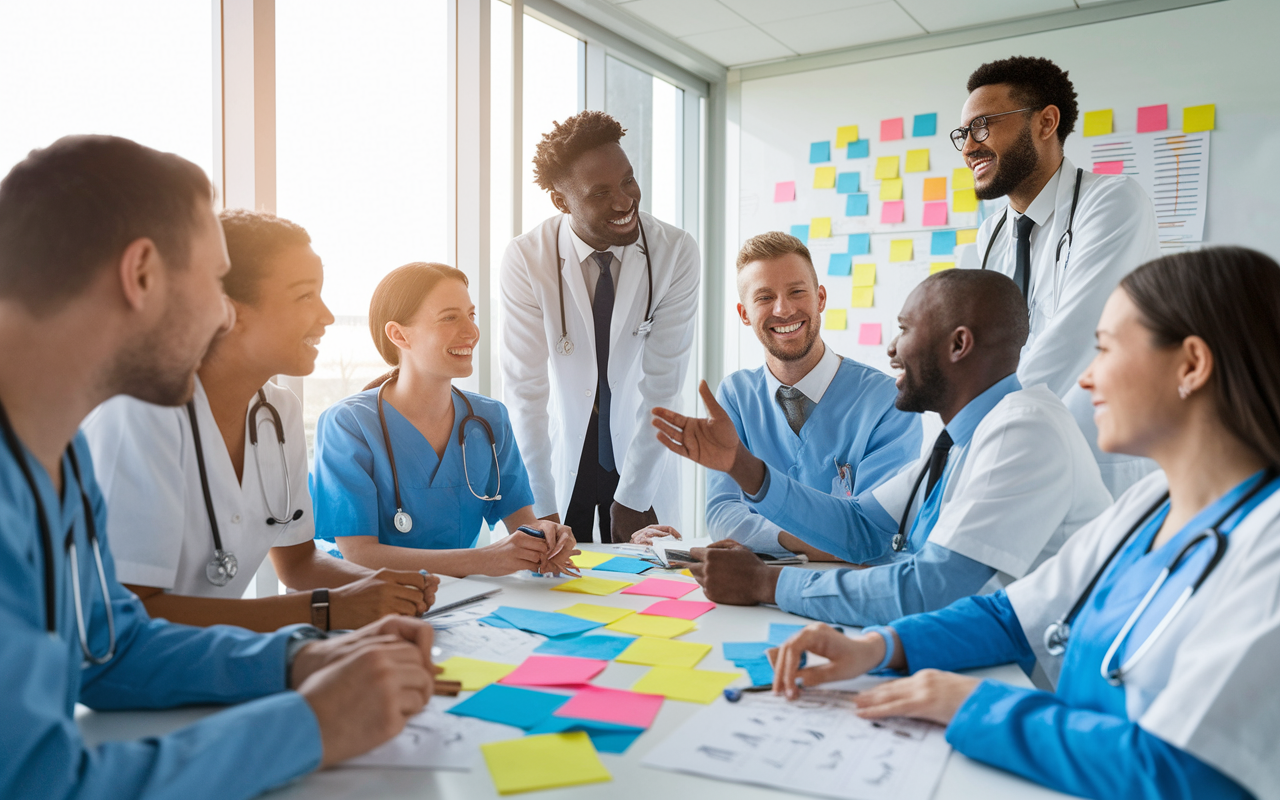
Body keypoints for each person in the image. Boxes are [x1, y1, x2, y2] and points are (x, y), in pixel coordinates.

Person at [0, 135, 437, 799]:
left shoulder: (57, 453)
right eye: (213, 280)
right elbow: (40, 785)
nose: (219, 311)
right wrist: (310, 725)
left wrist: (299, 658)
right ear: (141, 274)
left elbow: (111, 650)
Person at [769, 247, 1280, 800]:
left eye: (1105, 349)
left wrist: (973, 706)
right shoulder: (1152, 502)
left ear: (1191, 365)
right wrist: (881, 647)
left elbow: (1190, 775)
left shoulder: (1269, 544)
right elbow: (1012, 616)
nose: (1086, 379)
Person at [653, 269, 1111, 627]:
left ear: (959, 345)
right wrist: (741, 465)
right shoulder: (959, 440)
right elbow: (859, 528)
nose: (891, 349)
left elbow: (930, 589)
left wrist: (764, 582)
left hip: (1036, 679)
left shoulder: (1024, 431)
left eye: (905, 329)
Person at [81, 209, 435, 633]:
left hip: (207, 659)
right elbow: (128, 617)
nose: (326, 316)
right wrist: (323, 610)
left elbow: (299, 563)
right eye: (306, 296)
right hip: (121, 682)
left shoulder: (278, 412)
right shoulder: (140, 415)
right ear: (227, 311)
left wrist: (385, 587)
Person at [634, 231, 920, 560]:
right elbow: (723, 514)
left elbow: (877, 533)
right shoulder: (735, 396)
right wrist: (809, 544)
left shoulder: (887, 400)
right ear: (744, 314)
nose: (783, 310)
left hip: (851, 588)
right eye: (764, 297)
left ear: (821, 298)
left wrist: (761, 538)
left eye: (797, 292)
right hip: (758, 590)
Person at [956, 56, 1161, 498]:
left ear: (1046, 122)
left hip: (1099, 450)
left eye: (983, 126)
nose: (969, 146)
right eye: (964, 133)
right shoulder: (990, 234)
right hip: (1020, 452)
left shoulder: (1112, 202)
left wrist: (985, 428)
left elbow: (1074, 335)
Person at [501, 110, 700, 543]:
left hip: (640, 448)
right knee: (557, 584)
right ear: (561, 201)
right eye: (600, 192)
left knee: (644, 589)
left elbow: (663, 388)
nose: (625, 201)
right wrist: (540, 505)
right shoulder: (526, 258)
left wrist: (633, 497)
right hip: (565, 450)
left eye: (628, 180)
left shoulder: (675, 251)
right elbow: (525, 392)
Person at [311, 262, 578, 577]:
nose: (472, 332)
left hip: (461, 601)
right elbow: (359, 555)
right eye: (450, 317)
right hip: (369, 602)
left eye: (471, 315)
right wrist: (487, 560)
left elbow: (524, 525)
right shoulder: (347, 425)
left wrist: (547, 537)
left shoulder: (489, 419)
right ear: (399, 335)